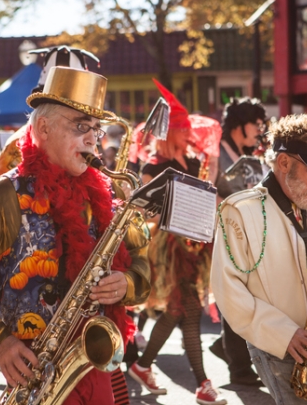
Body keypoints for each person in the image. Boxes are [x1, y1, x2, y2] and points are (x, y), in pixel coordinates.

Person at [0, 66, 151, 404]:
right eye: (80, 126)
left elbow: (141, 263)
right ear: (43, 128)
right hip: (36, 377)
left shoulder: (107, 194)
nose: (92, 140)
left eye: (95, 130)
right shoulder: (2, 196)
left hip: (96, 372)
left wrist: (128, 283)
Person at [211, 113, 307, 405]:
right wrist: (283, 335)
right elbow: (228, 291)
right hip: (277, 344)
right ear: (283, 163)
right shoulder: (240, 211)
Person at [128, 80, 226, 405]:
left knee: (179, 310)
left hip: (195, 241)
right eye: (183, 129)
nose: (190, 134)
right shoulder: (153, 166)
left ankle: (143, 365)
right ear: (170, 132)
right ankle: (202, 384)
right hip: (168, 246)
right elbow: (148, 212)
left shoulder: (194, 160)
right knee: (189, 308)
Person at [208, 96, 267, 387]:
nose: (260, 129)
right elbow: (205, 191)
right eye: (255, 124)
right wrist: (232, 208)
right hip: (222, 235)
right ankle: (240, 367)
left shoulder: (250, 154)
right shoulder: (216, 151)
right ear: (238, 125)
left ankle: (229, 350)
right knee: (234, 298)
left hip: (246, 236)